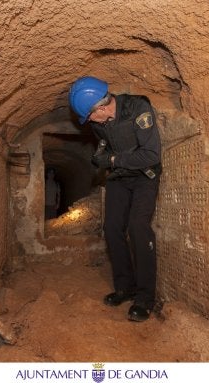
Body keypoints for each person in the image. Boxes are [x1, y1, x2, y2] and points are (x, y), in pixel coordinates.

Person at [68, 76, 162, 322]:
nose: (89, 122)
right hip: (119, 179)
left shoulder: (139, 108)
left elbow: (150, 155)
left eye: (90, 117)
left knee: (138, 227)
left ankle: (144, 297)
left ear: (100, 107)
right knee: (111, 228)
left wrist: (112, 160)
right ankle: (125, 287)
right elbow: (103, 147)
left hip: (144, 176)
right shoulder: (98, 124)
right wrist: (103, 157)